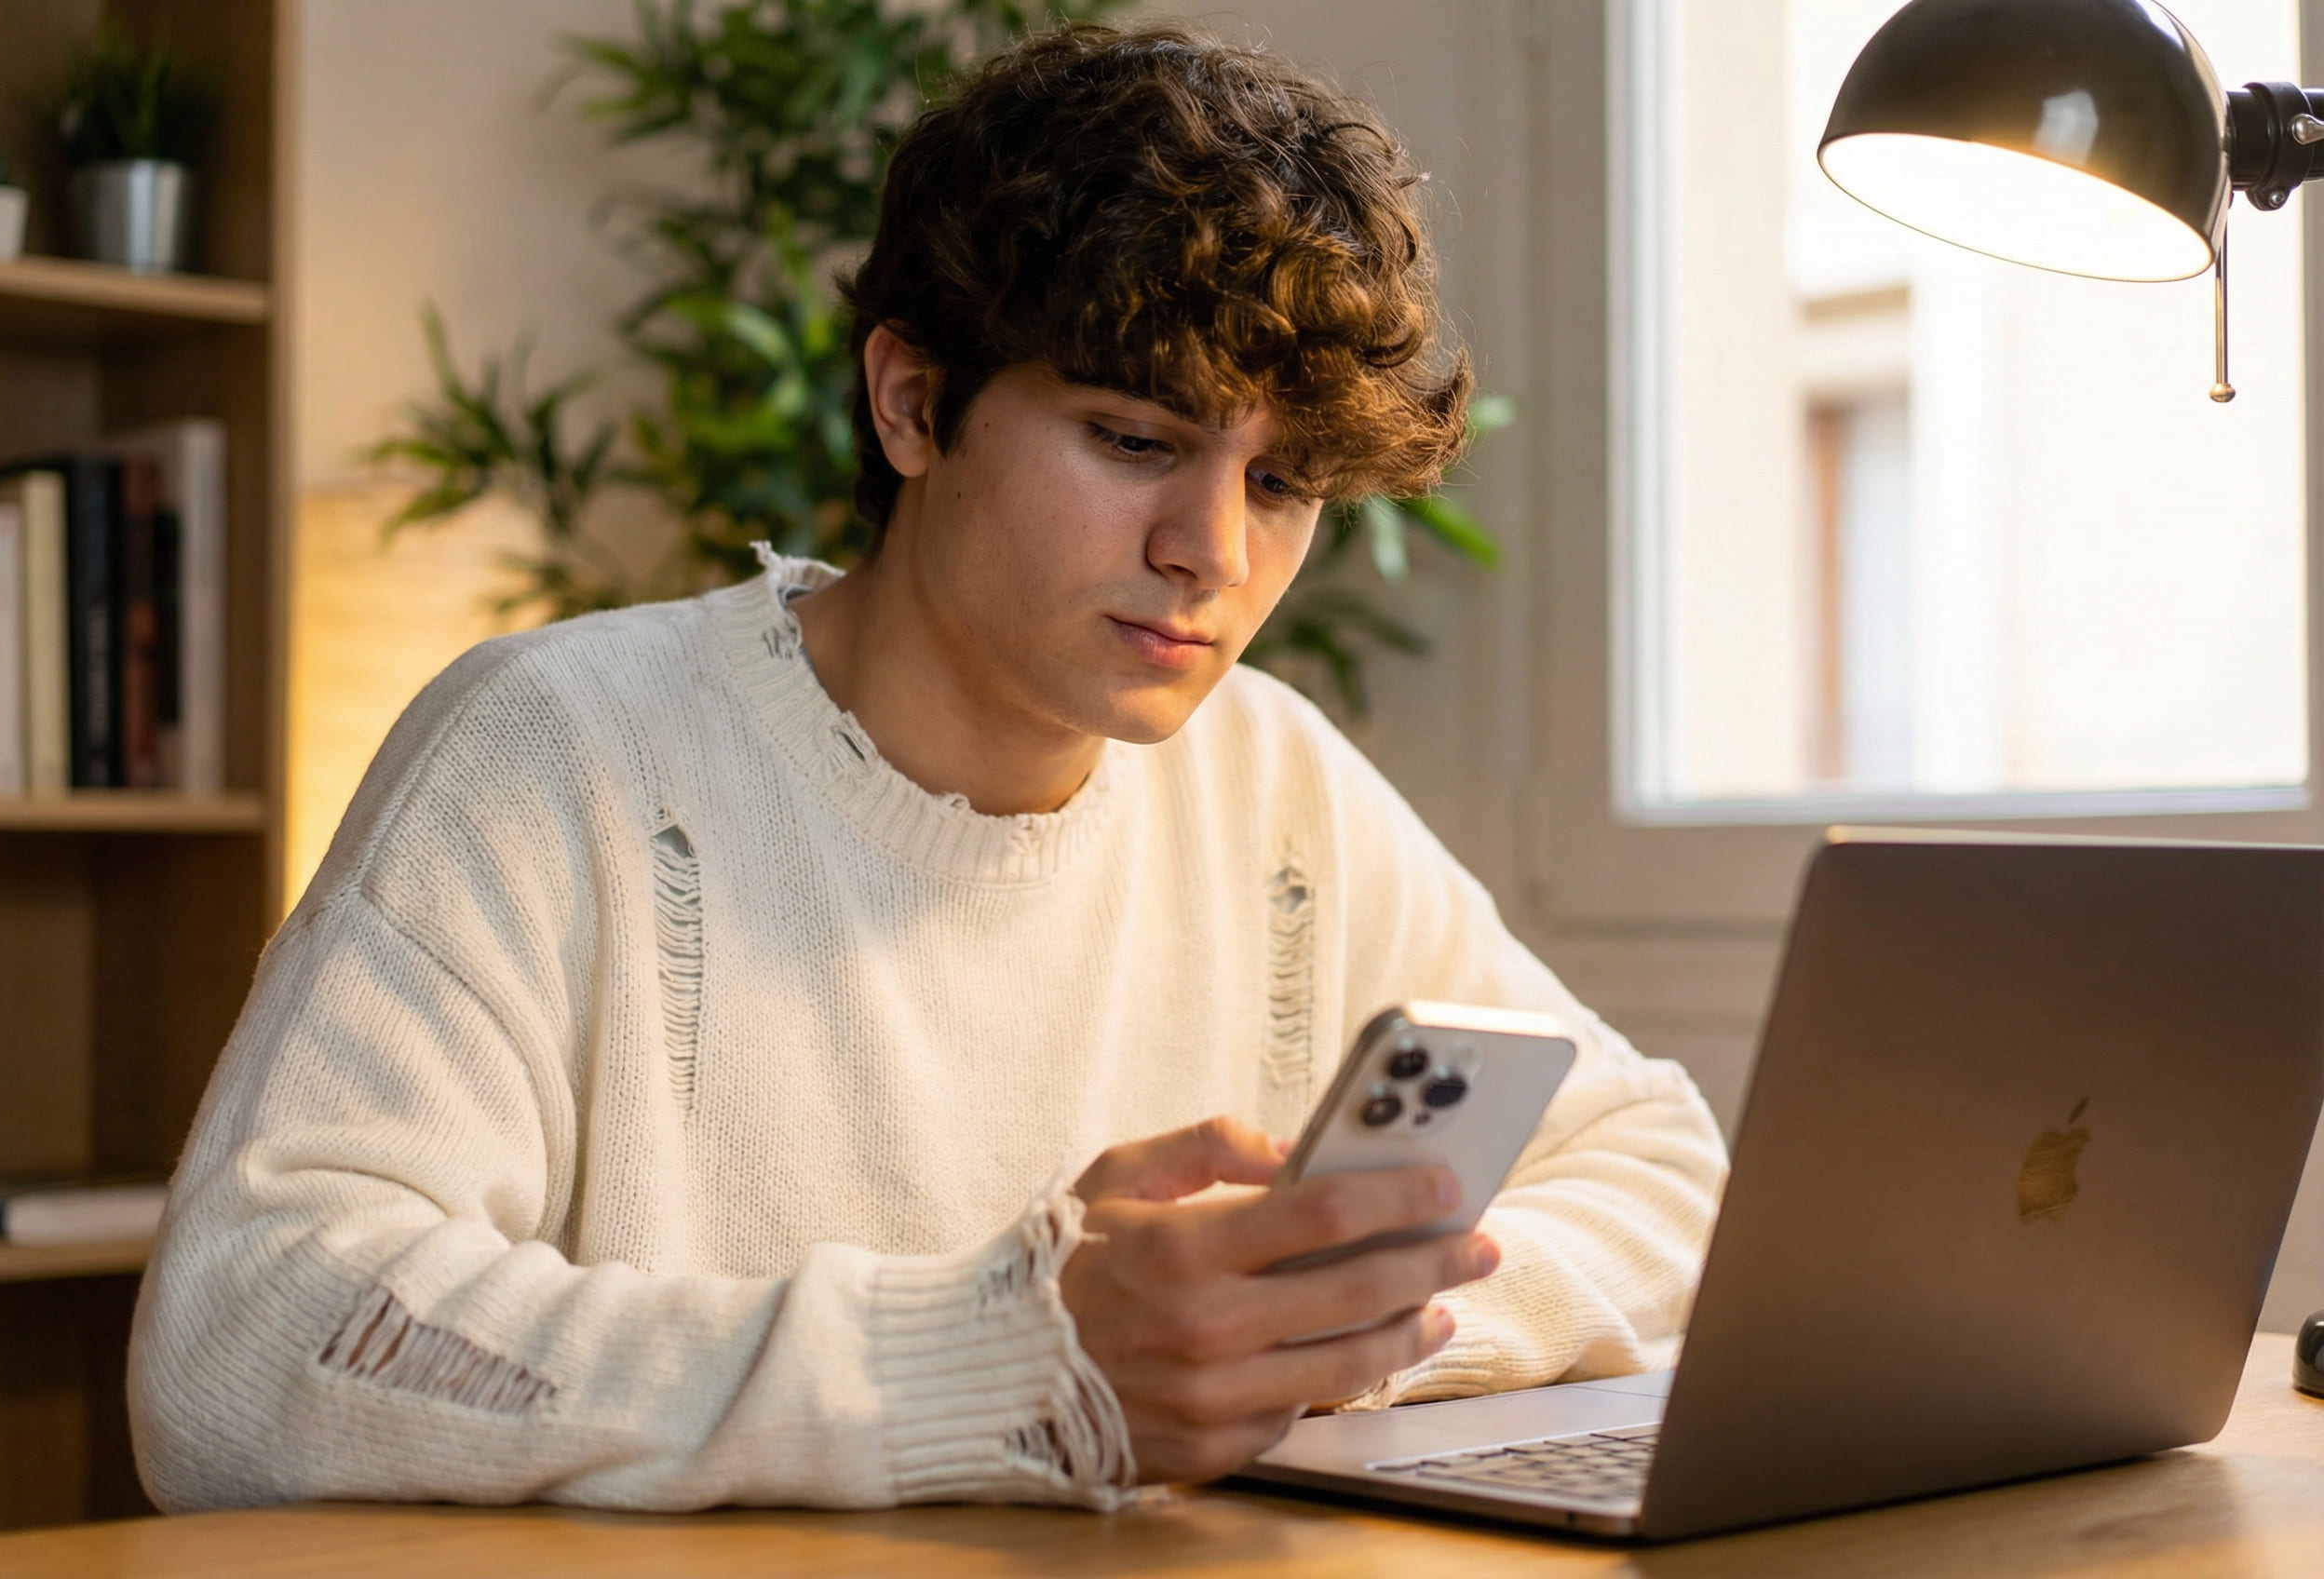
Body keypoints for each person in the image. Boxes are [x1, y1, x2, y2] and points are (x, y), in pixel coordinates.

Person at [129, 22, 1726, 1512]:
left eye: (1287, 483)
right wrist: (999, 1366)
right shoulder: (561, 747)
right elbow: (248, 1335)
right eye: (1135, 440)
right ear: (912, 401)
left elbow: (1663, 1172)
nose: (1212, 553)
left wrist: (1309, 1337)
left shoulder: (1272, 781)